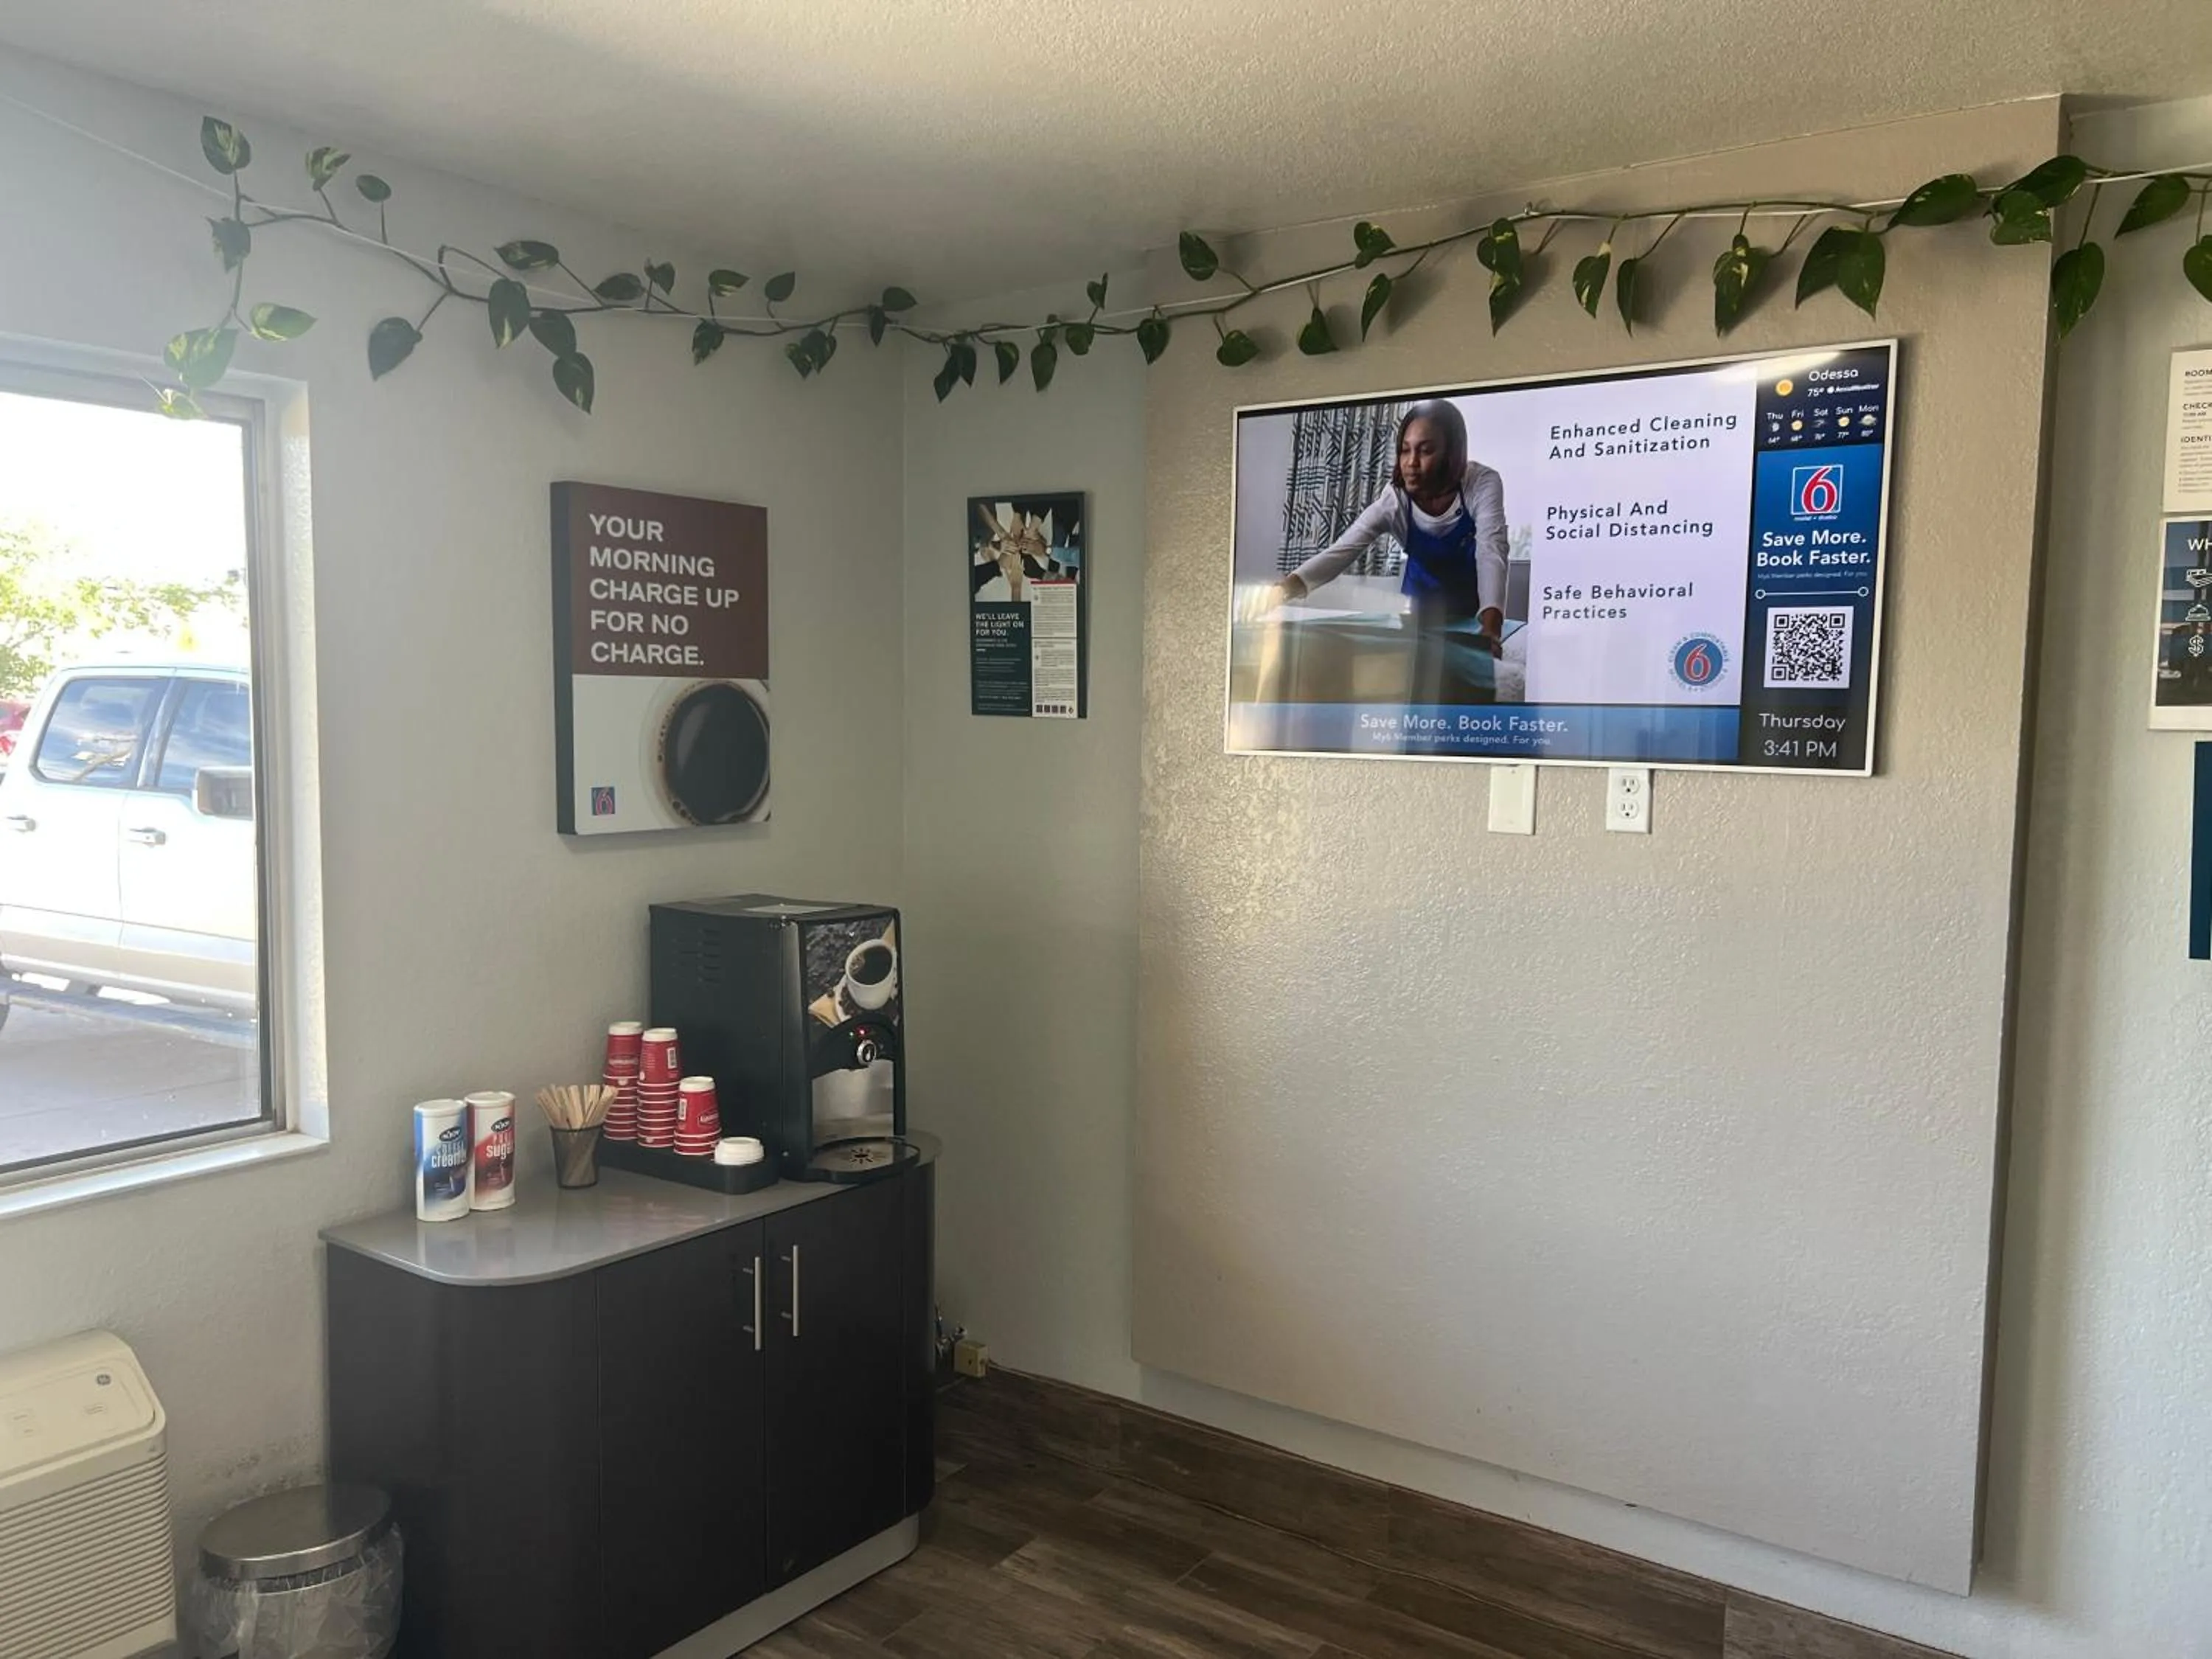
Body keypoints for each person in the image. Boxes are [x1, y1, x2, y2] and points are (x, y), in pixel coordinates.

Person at [1262, 400, 1509, 690]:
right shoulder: (1395, 500)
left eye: (1426, 450)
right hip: (1417, 611)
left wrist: (1491, 630)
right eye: (1405, 449)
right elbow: (1344, 549)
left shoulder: (1482, 483)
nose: (1411, 463)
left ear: (1451, 453)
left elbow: (1491, 550)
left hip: (1471, 613)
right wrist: (1283, 590)